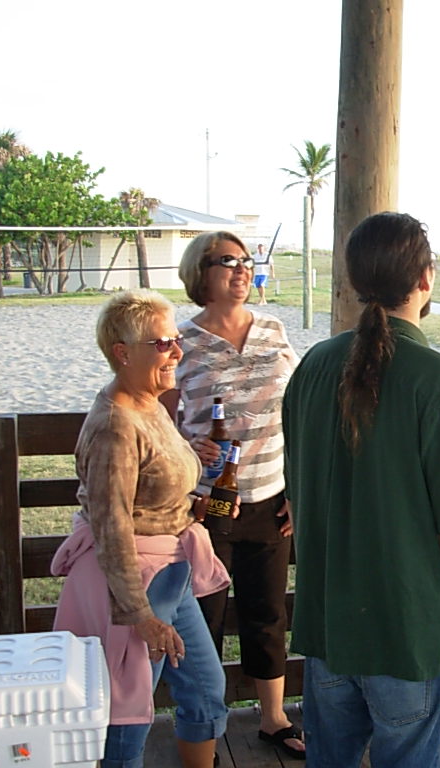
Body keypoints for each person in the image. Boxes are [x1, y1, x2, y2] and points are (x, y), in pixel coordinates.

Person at [281, 211, 440, 767]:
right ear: (425, 278)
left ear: (355, 281)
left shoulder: (312, 367)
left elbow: (298, 495)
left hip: (329, 630)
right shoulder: (435, 377)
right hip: (406, 633)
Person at [51, 289, 230, 768]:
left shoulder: (149, 401)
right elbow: (110, 528)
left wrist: (195, 502)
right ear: (122, 353)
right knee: (124, 718)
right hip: (131, 585)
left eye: (175, 340)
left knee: (206, 690)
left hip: (171, 571)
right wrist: (140, 617)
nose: (176, 351)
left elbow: (152, 486)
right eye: (163, 343)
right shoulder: (114, 425)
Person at [163, 231, 303, 759]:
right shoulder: (181, 340)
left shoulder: (273, 329)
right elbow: (157, 416)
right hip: (206, 504)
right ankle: (204, 727)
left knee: (268, 612)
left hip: (270, 497)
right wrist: (184, 440)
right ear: (200, 272)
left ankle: (273, 717)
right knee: (204, 618)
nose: (242, 271)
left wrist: (300, 489)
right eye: (228, 262)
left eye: (246, 262)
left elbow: (300, 411)